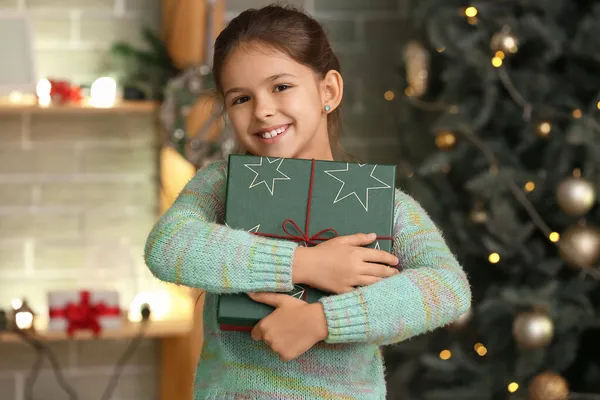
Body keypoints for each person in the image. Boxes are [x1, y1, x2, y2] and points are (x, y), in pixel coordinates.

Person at [144, 4, 471, 399]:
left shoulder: (381, 203)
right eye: (240, 98)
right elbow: (168, 246)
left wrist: (323, 321)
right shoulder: (221, 184)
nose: (263, 110)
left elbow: (448, 288)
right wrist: (306, 263)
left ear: (328, 91)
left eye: (281, 87)